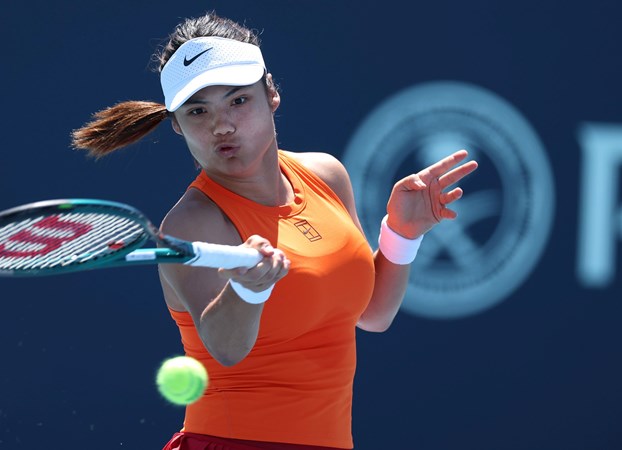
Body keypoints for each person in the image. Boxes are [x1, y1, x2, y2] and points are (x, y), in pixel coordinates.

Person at [72, 12, 478, 450]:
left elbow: (371, 315)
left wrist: (402, 233)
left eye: (238, 101)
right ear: (176, 123)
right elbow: (226, 349)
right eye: (197, 111)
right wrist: (249, 290)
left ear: (271, 93)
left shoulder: (327, 175)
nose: (221, 126)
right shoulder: (195, 221)